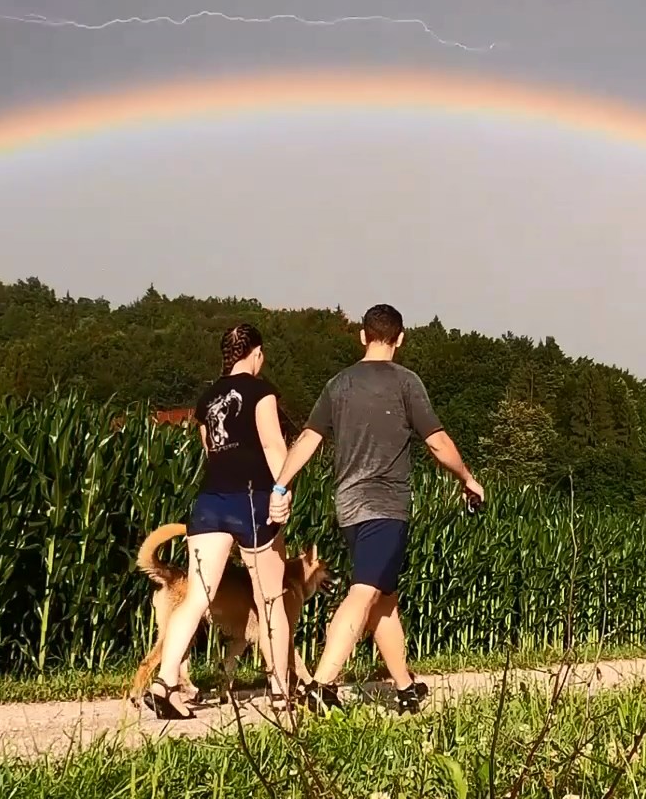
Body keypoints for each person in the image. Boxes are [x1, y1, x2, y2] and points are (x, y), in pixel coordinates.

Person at [268, 303, 483, 714]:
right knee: (365, 591)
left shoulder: (338, 384)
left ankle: (404, 687)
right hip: (386, 507)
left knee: (384, 596)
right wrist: (467, 478)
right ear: (400, 339)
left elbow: (309, 440)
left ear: (362, 336)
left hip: (348, 508)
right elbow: (437, 443)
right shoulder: (406, 383)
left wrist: (281, 484)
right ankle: (321, 682)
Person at [142, 323, 300, 720]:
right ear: (257, 353)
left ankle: (164, 684)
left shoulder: (206, 400)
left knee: (197, 597)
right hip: (253, 500)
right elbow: (271, 443)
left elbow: (212, 453)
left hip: (211, 503)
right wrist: (282, 492)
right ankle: (281, 691)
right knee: (270, 601)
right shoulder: (261, 392)